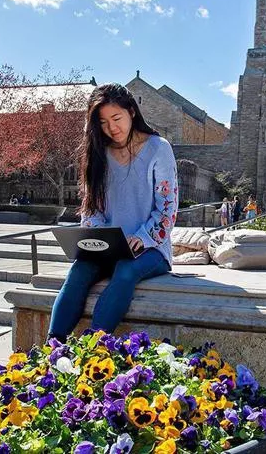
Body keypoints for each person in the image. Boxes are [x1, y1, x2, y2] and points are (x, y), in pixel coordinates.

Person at [48, 83, 177, 340]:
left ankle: (93, 351)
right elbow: (93, 207)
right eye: (103, 122)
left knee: (125, 270)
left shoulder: (158, 148)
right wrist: (99, 236)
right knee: (78, 271)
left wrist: (140, 237)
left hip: (151, 248)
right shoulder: (99, 153)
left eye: (116, 118)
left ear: (131, 111)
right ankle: (51, 351)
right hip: (109, 247)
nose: (111, 128)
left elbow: (166, 209)